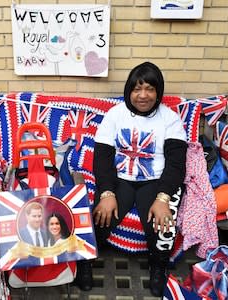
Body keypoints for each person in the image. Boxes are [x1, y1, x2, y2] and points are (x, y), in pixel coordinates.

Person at [75, 62, 187, 296]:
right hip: (120, 179)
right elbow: (102, 159)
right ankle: (84, 263)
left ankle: (159, 266)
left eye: (149, 89)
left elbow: (176, 165)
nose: (143, 95)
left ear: (158, 92)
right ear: (129, 91)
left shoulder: (170, 119)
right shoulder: (115, 115)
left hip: (155, 181)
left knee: (161, 223)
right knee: (101, 217)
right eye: (137, 89)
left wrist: (163, 197)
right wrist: (106, 193)